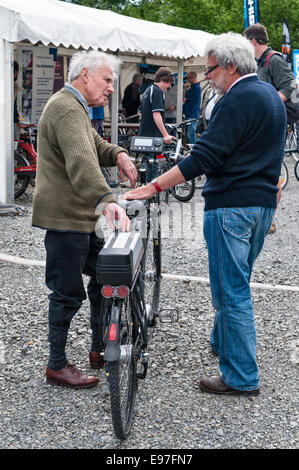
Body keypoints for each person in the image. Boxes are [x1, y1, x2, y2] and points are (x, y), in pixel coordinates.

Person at [123, 32, 287, 395]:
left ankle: (241, 376)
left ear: (230, 65)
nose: (207, 76)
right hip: (261, 204)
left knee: (231, 291)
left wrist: (153, 186)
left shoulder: (235, 100)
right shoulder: (269, 97)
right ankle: (222, 340)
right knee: (238, 278)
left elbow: (204, 160)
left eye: (210, 69)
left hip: (232, 205)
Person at [32, 50, 137, 389]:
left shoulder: (75, 107)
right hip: (66, 218)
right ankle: (57, 365)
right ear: (85, 75)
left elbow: (95, 146)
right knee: (67, 293)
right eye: (107, 80)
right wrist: (108, 200)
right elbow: (82, 162)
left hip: (80, 216)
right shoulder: (66, 108)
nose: (111, 88)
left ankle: (98, 348)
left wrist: (119, 153)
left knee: (104, 277)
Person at [243, 23, 297, 234]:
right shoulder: (256, 62)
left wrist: (270, 104)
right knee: (255, 170)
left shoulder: (273, 60)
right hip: (259, 125)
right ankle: (258, 215)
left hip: (274, 124)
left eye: (246, 41)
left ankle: (270, 218)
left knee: (271, 173)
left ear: (254, 41)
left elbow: (291, 86)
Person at [138, 67, 174, 144]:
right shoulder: (157, 91)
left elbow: (140, 113)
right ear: (163, 79)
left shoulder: (147, 90)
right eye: (169, 83)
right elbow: (156, 114)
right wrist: (166, 135)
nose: (169, 86)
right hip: (153, 138)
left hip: (143, 136)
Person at [183, 71, 202, 144]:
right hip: (190, 113)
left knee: (191, 134)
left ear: (193, 78)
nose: (187, 80)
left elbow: (184, 98)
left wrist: (185, 88)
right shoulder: (193, 87)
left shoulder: (196, 88)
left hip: (192, 114)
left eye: (188, 78)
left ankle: (193, 150)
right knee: (189, 134)